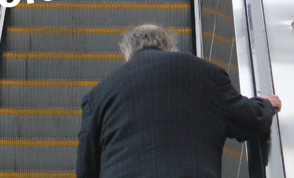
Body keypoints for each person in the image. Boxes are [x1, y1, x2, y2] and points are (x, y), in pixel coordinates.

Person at [76, 25, 281, 178]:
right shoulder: (205, 73)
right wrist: (265, 104)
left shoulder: (98, 95)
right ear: (170, 48)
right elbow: (249, 120)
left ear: (127, 55)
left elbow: (86, 168)